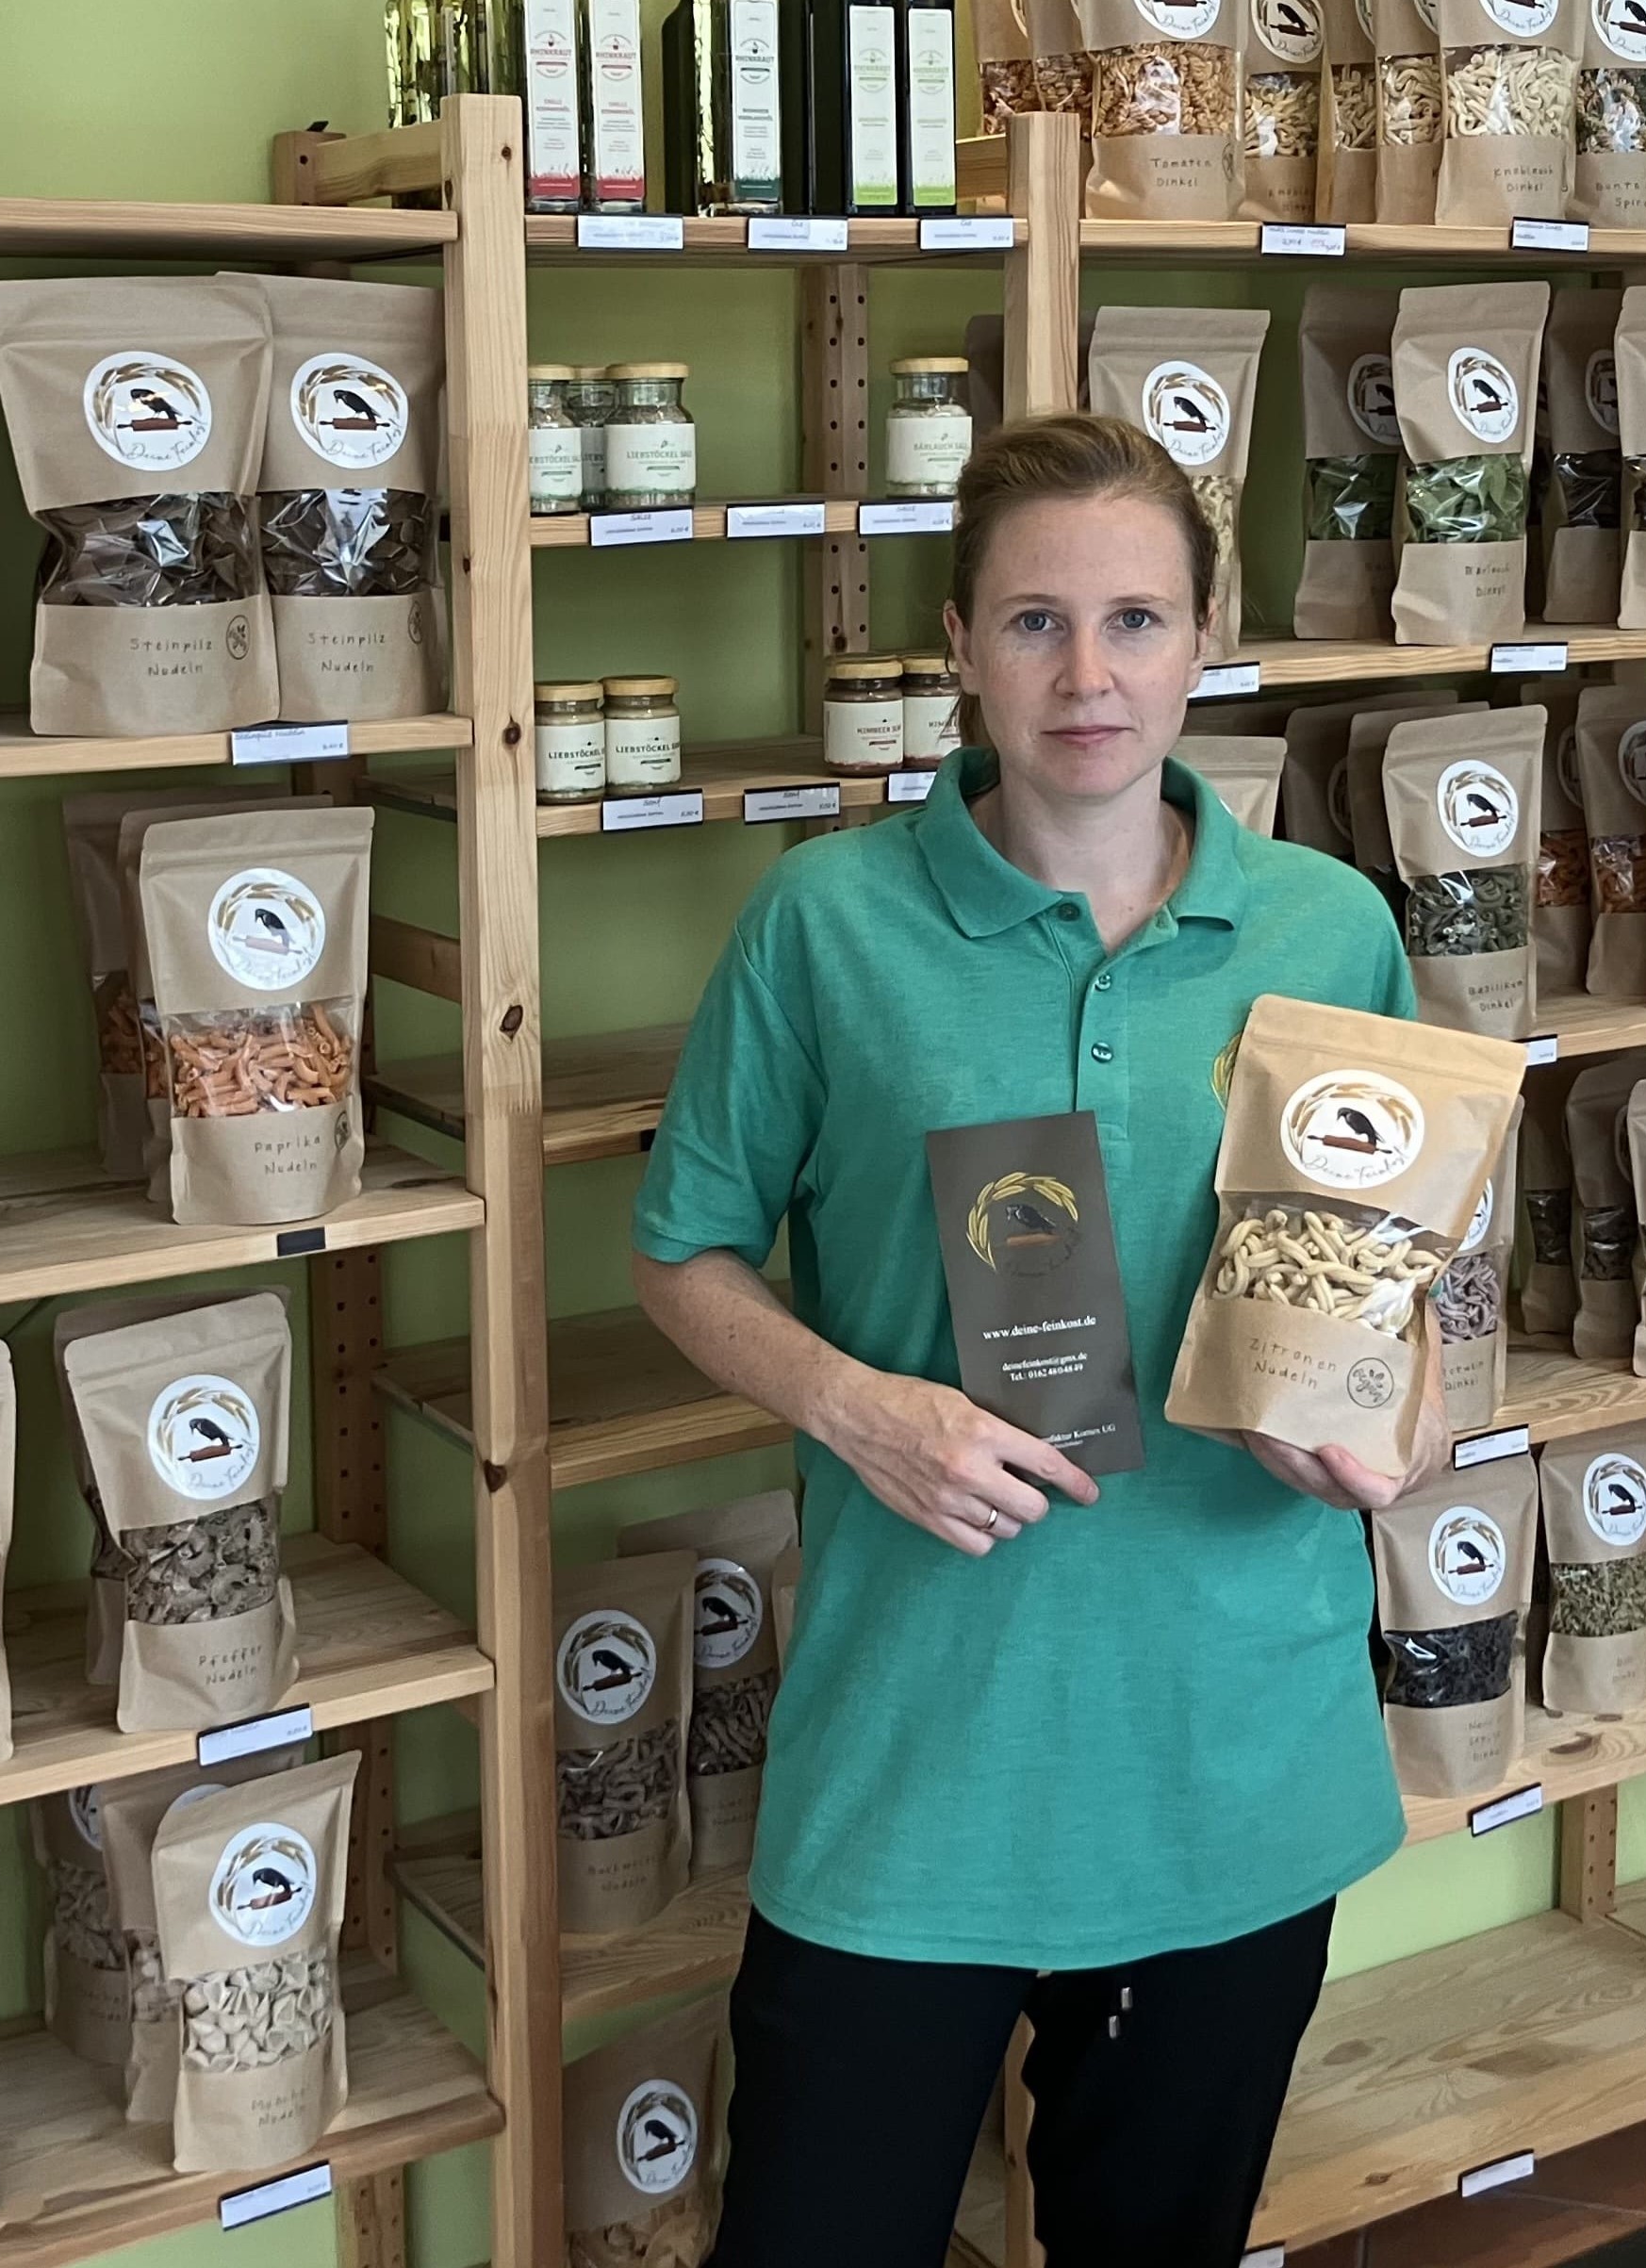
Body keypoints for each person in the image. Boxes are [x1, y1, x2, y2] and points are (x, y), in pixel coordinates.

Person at [631, 413, 1450, 2267]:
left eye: (1137, 620)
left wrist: (1383, 1423)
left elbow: (1394, 1298)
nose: (1090, 675)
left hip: (1235, 1757)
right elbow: (681, 1253)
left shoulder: (1328, 928)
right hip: (918, 1755)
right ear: (959, 643)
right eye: (1034, 622)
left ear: (1205, 636)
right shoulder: (826, 925)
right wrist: (860, 1408)